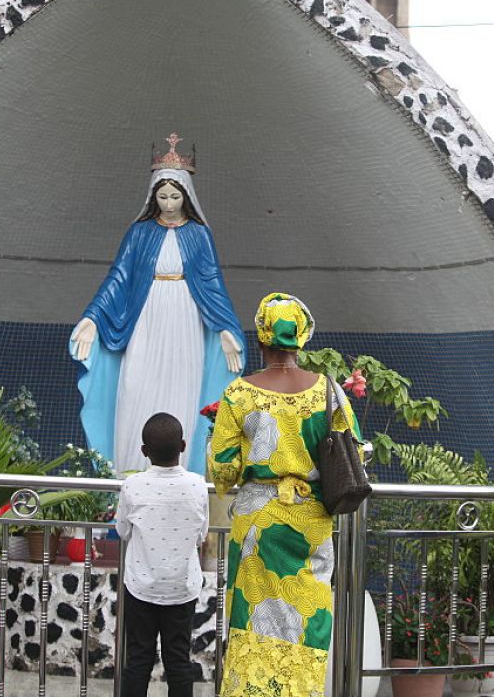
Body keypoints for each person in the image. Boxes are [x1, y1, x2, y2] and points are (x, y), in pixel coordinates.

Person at [209, 292, 361, 697]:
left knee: (253, 620)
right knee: (306, 619)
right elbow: (355, 453)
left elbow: (222, 471)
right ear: (301, 338)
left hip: (258, 526)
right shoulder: (329, 390)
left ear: (261, 337)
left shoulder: (240, 393)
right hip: (311, 523)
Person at [70, 133, 245, 476]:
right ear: (153, 196)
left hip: (186, 318)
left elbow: (212, 283)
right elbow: (119, 276)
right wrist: (93, 318)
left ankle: (184, 473)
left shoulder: (199, 234)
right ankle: (128, 474)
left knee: (182, 390)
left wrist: (225, 329)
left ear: (186, 196)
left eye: (175, 196)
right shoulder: (139, 232)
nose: (168, 203)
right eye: (162, 196)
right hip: (146, 316)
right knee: (135, 386)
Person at [115, 412, 210, 697]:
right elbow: (201, 534)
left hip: (141, 587)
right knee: (178, 660)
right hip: (181, 588)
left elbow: (123, 530)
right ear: (183, 446)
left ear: (144, 451)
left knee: (138, 660)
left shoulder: (132, 486)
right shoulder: (197, 485)